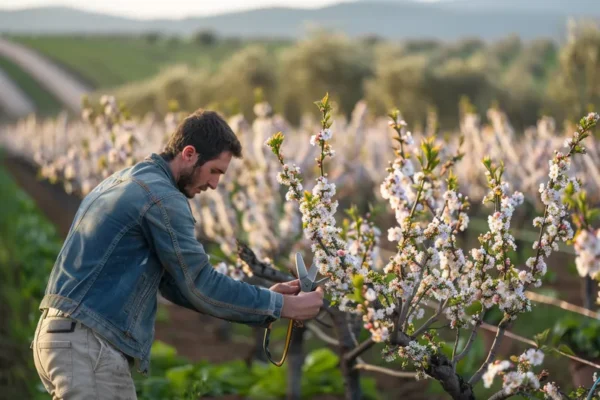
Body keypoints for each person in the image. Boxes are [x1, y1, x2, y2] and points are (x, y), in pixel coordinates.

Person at [30, 108, 324, 399]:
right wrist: (282, 307)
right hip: (87, 346)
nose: (214, 184)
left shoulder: (124, 180)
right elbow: (199, 284)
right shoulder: (162, 198)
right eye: (214, 171)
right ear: (189, 154)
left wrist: (267, 303)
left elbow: (178, 283)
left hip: (65, 337)